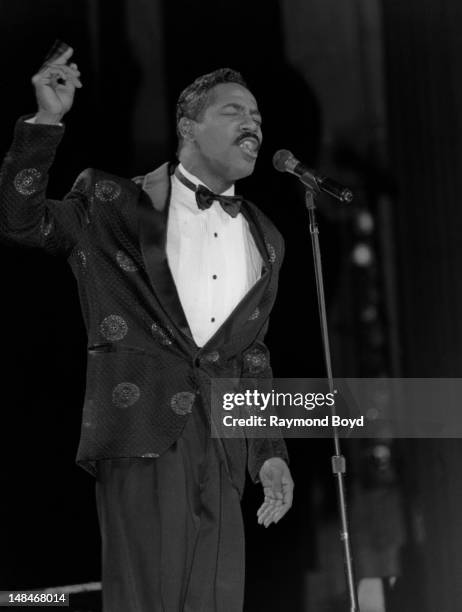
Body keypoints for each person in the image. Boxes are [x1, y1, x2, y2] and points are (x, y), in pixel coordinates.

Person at [0, 46, 294, 611]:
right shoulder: (113, 201)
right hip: (141, 431)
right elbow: (22, 223)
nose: (253, 122)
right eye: (235, 111)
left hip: (224, 447)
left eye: (256, 115)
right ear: (188, 125)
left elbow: (251, 354)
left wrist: (269, 453)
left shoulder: (267, 238)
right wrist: (45, 122)